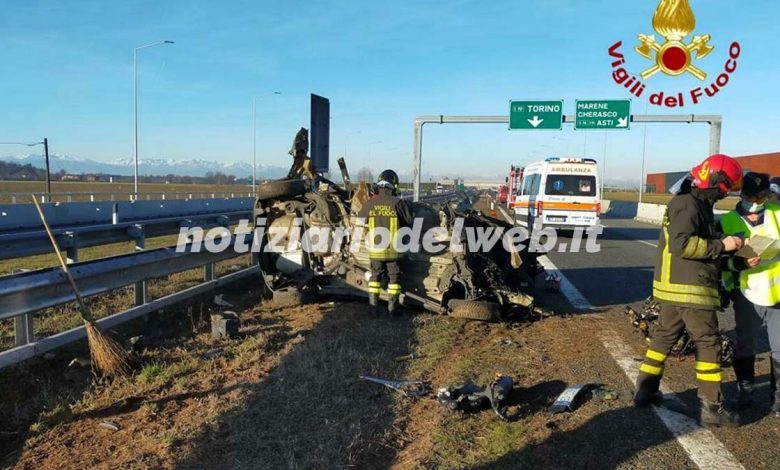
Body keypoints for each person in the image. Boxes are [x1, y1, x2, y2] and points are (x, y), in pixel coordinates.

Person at [634, 154, 745, 427]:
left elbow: (701, 244)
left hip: (676, 290)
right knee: (708, 344)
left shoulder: (694, 203)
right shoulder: (688, 205)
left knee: (662, 339)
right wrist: (724, 246)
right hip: (691, 290)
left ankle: (644, 392)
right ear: (715, 182)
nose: (724, 195)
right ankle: (712, 409)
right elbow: (683, 246)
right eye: (724, 189)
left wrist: (737, 258)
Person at [721, 172, 780, 417]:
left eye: (762, 196)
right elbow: (719, 262)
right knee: (745, 345)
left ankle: (778, 400)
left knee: (779, 349)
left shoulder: (777, 213)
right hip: (746, 293)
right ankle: (745, 392)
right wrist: (740, 266)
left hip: (778, 294)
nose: (756, 201)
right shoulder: (726, 221)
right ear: (741, 194)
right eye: (752, 196)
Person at [358, 169, 414, 315]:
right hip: (393, 251)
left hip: (375, 250)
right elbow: (409, 221)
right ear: (393, 185)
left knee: (375, 277)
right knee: (394, 278)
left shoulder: (370, 203)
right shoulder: (398, 203)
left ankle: (373, 308)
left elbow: (359, 220)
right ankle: (393, 309)